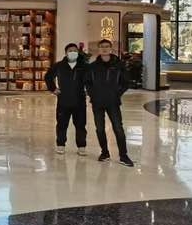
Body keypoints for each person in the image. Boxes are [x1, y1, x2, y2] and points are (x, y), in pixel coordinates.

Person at [86, 39, 134, 167]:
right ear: (99, 49)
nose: (104, 48)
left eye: (107, 46)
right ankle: (104, 153)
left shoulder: (119, 65)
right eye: (102, 46)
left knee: (118, 128)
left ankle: (123, 156)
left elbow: (126, 82)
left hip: (113, 102)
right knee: (100, 128)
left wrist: (117, 94)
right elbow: (88, 83)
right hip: (97, 102)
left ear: (111, 48)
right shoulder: (93, 67)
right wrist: (92, 94)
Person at [45, 43, 89, 156]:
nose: (73, 52)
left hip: (79, 100)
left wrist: (89, 90)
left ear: (78, 53)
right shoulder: (59, 66)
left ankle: (81, 146)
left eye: (75, 51)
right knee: (62, 124)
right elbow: (48, 76)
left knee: (80, 125)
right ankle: (61, 144)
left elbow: (91, 79)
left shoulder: (84, 66)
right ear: (66, 53)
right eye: (70, 51)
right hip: (63, 100)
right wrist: (53, 88)